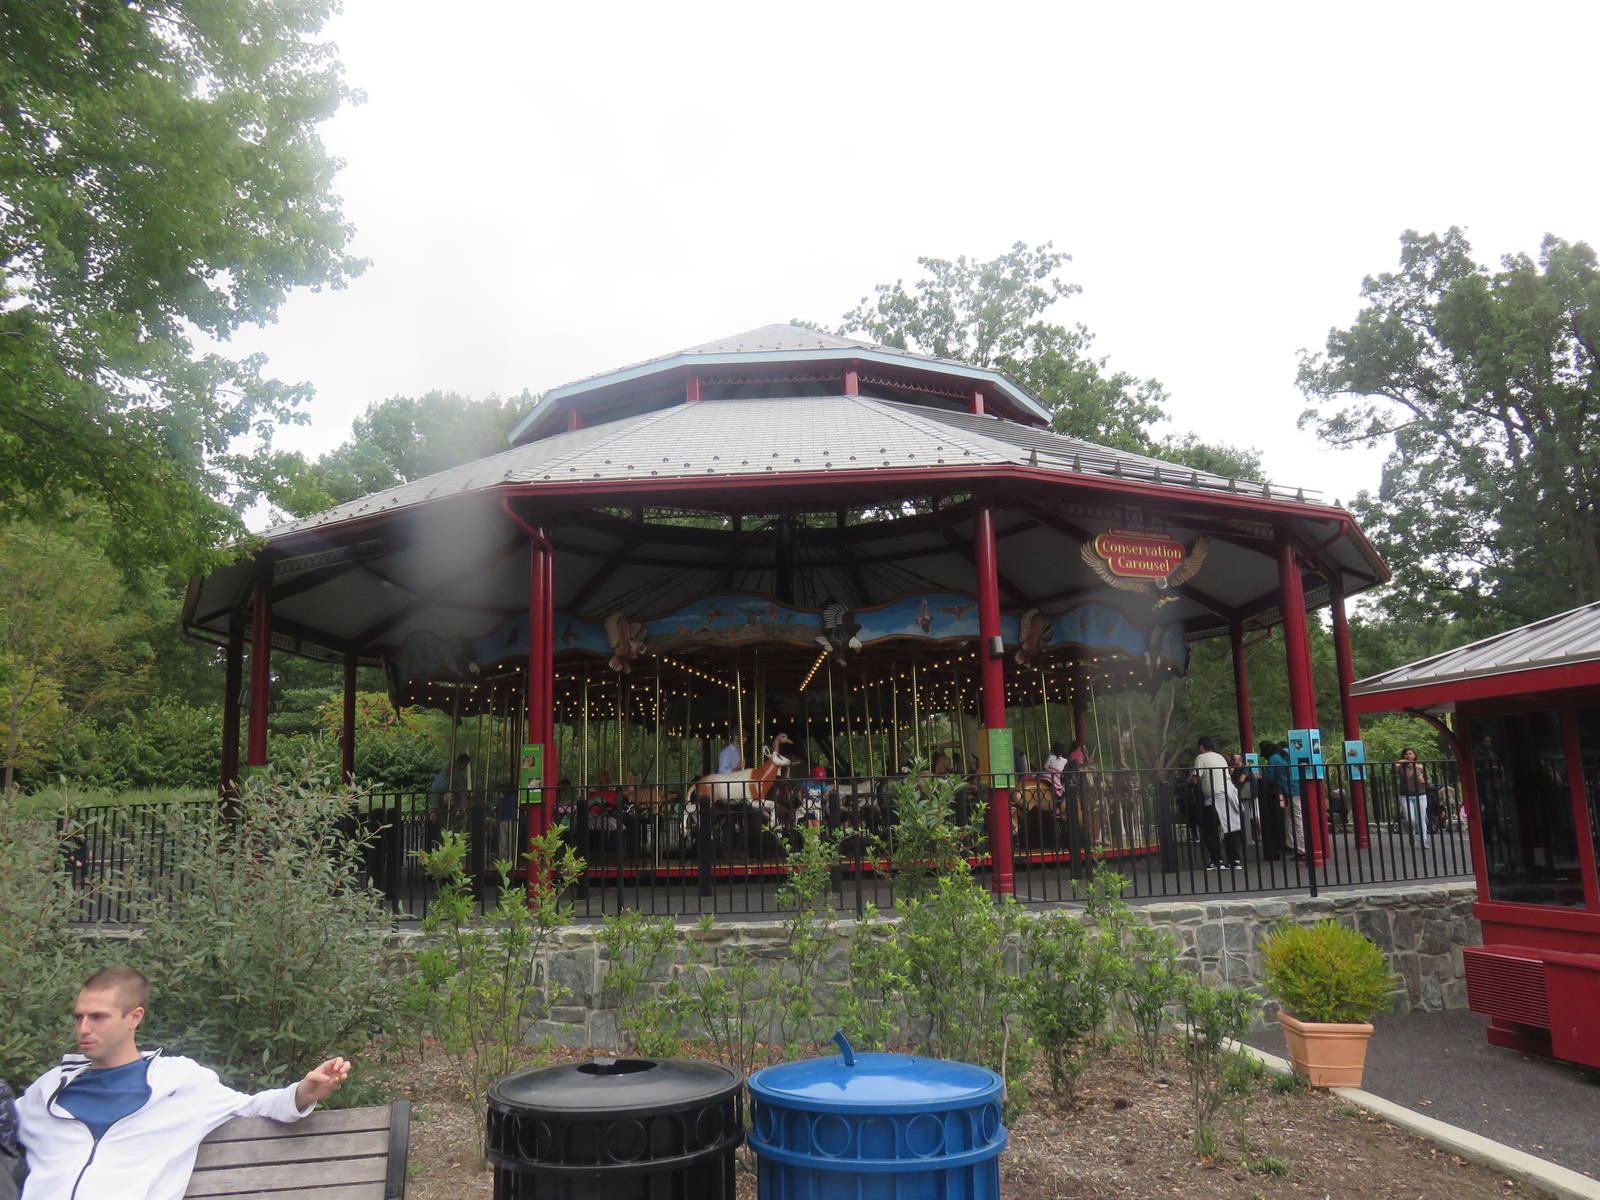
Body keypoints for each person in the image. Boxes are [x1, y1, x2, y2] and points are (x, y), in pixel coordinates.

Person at [16, 966, 349, 1200]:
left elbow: (252, 1106)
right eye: (79, 1017)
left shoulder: (178, 1083)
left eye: (98, 1017)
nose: (84, 1028)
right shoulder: (48, 1089)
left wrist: (304, 1092)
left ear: (135, 1017)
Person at [1190, 736, 1243, 870]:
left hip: (1214, 797)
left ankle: (1217, 860)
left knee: (1210, 829)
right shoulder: (1220, 757)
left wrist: (1188, 781)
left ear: (1201, 746)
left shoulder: (1201, 758)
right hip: (1229, 792)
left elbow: (1196, 779)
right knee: (1230, 828)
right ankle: (1234, 860)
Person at [1266, 739, 1304, 860]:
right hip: (1300, 788)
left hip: (1292, 790)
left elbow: (1270, 777)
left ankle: (1301, 849)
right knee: (1290, 817)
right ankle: (1291, 844)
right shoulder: (1292, 754)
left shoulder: (1274, 758)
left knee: (1297, 820)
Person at [1397, 747, 1431, 849]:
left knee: (1421, 819)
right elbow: (1393, 768)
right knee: (1410, 819)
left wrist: (1424, 780)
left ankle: (1424, 840)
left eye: (1411, 753)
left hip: (1420, 794)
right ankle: (1411, 835)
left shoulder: (1421, 766)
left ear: (1415, 755)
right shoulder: (1401, 767)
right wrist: (1401, 761)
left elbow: (1429, 781)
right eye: (1406, 754)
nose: (1409, 756)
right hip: (1405, 795)